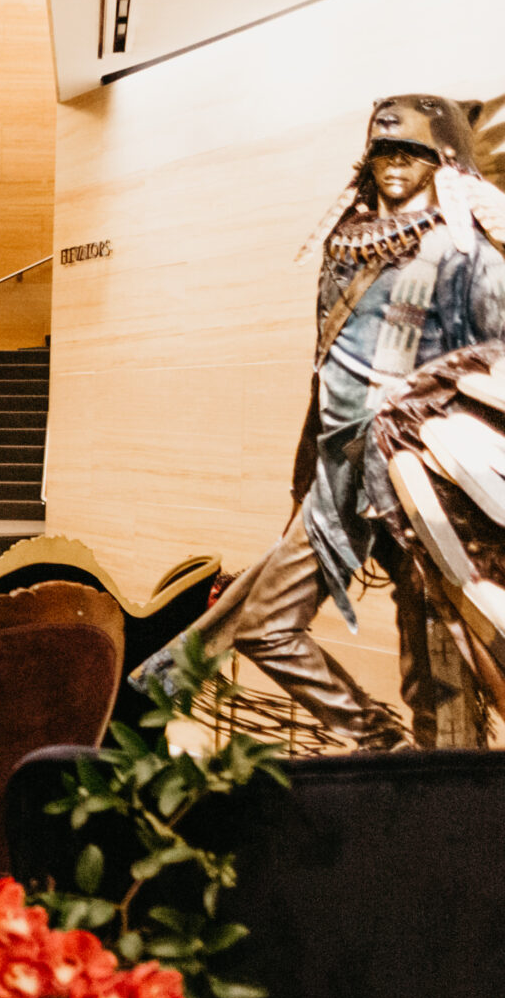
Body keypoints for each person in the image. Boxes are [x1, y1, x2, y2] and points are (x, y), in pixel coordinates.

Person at [142, 95, 505, 748]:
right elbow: (324, 370)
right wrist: (304, 480)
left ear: (441, 160)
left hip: (425, 484)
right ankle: (377, 741)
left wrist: (428, 404)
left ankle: (445, 795)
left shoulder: (467, 246)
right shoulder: (345, 244)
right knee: (266, 622)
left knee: (439, 679)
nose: (396, 164)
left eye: (412, 152)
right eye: (385, 151)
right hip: (341, 479)